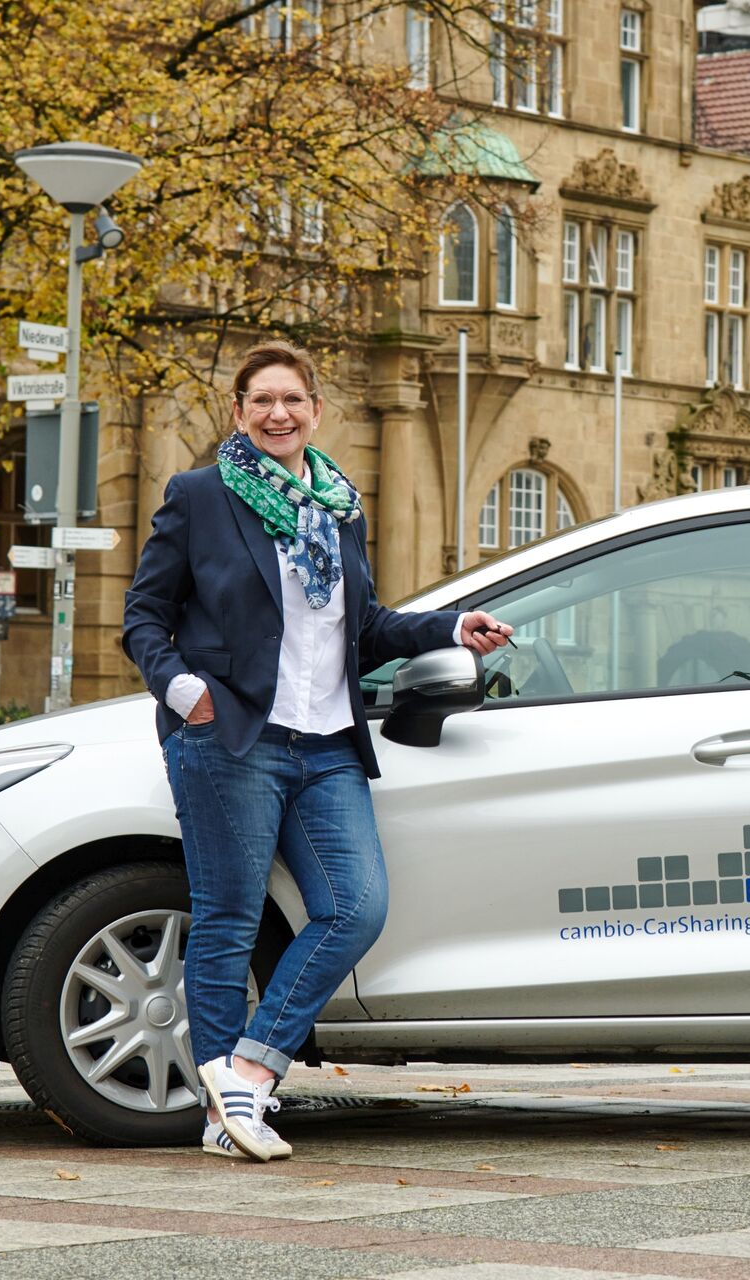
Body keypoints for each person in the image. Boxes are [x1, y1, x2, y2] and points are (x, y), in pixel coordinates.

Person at [123, 340, 511, 1162]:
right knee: (228, 921)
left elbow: (362, 630)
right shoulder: (199, 497)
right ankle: (222, 1114)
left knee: (354, 906)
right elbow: (144, 617)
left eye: (292, 400)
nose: (277, 414)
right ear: (238, 411)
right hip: (233, 739)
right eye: (261, 400)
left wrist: (449, 628)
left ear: (315, 410)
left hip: (329, 742)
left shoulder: (338, 504)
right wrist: (183, 691)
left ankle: (249, 1075)